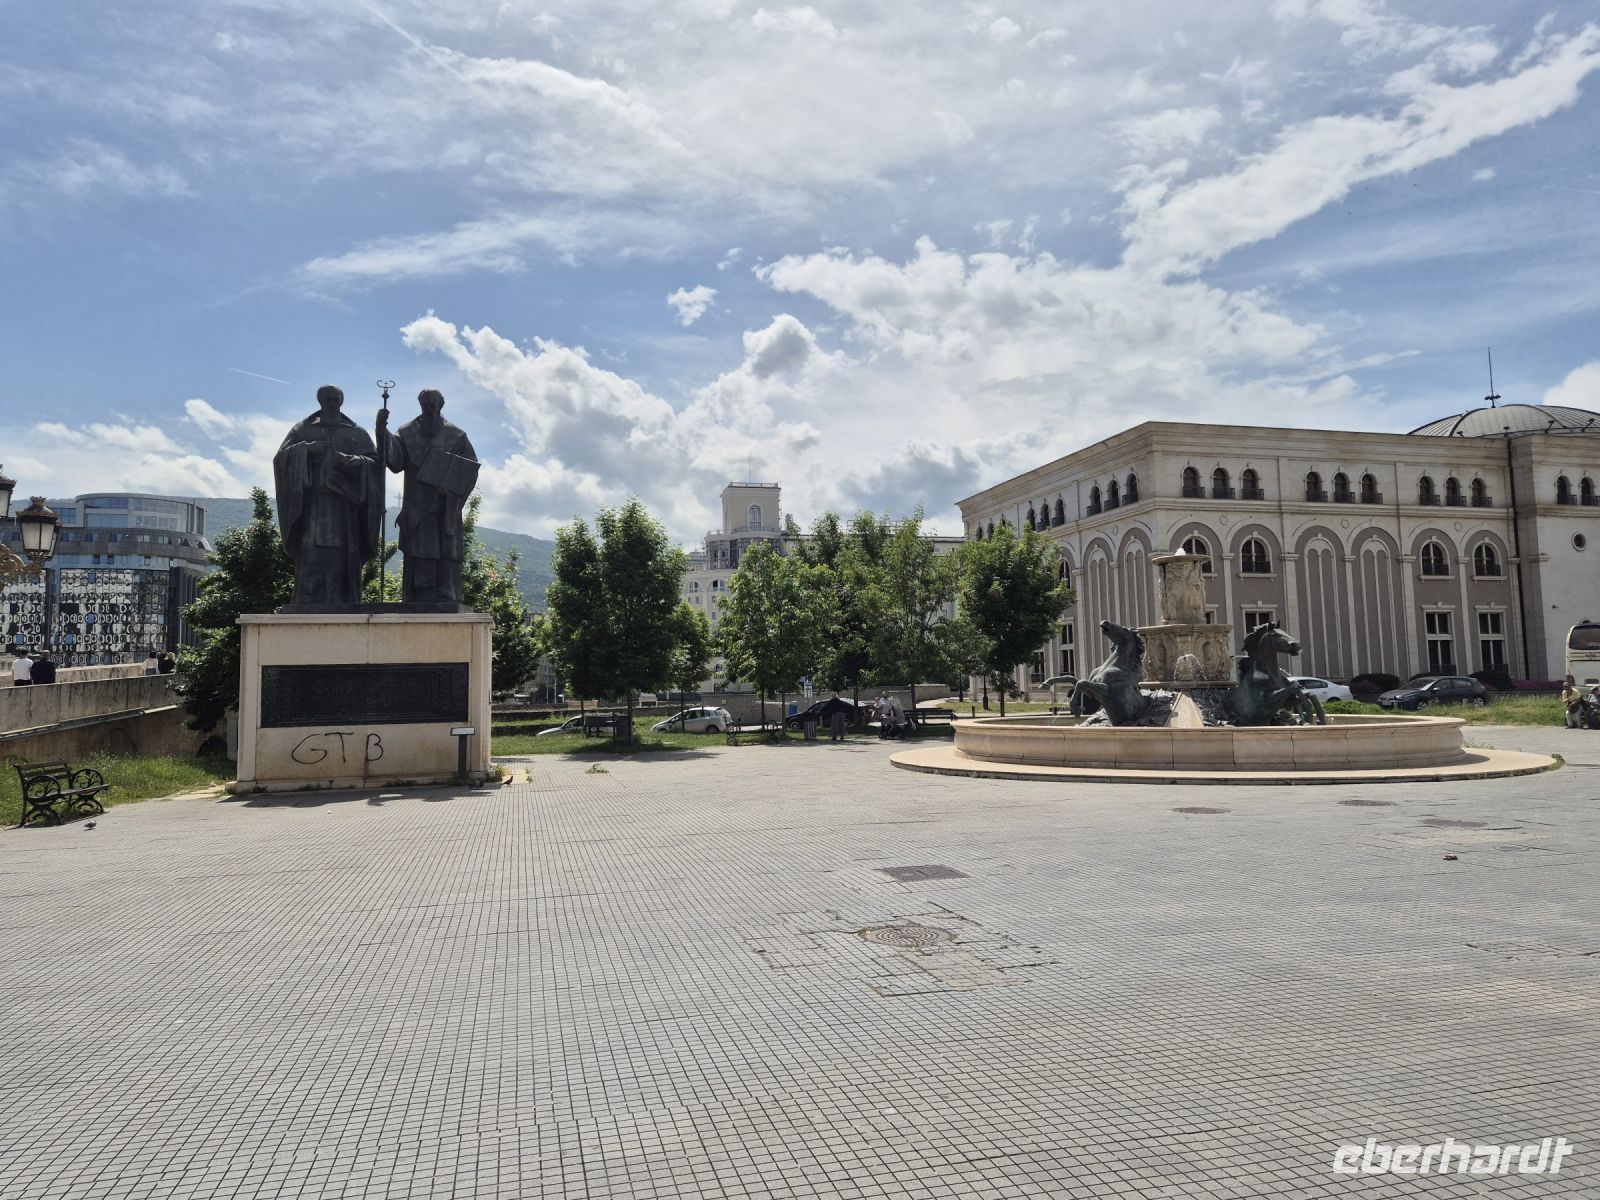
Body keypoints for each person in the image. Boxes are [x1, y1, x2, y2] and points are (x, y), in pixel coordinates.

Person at [273, 385, 383, 608]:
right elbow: (280, 459)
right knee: (312, 552)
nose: (333, 403)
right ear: (320, 401)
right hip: (314, 504)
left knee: (345, 556)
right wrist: (306, 450)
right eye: (329, 399)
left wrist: (357, 463)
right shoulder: (302, 430)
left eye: (337, 399)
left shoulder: (357, 433)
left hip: (346, 507)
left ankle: (345, 601)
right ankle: (306, 602)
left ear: (342, 402)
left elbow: (375, 464)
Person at [377, 389, 480, 607]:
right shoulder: (406, 433)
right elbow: (394, 461)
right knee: (418, 550)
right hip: (416, 504)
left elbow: (469, 469)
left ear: (441, 405)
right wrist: (381, 431)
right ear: (420, 404)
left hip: (445, 505)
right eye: (426, 403)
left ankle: (446, 593)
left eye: (434, 403)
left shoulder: (456, 435)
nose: (430, 407)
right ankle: (416, 595)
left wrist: (450, 487)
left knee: (445, 551)